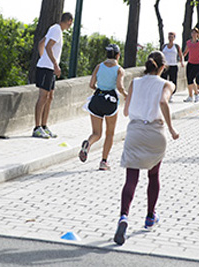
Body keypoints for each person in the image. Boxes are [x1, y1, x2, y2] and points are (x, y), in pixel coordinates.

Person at [114, 51, 179, 245]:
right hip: (155, 132)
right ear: (162, 67)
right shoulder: (168, 84)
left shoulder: (135, 82)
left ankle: (123, 216)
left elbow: (126, 111)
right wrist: (172, 129)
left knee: (131, 178)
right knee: (153, 175)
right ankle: (150, 216)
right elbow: (162, 101)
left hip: (135, 130)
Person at [79, 44, 127, 171]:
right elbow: (120, 87)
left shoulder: (99, 66)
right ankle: (103, 162)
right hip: (110, 102)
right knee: (109, 133)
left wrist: (99, 90)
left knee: (96, 133)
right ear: (118, 55)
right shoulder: (119, 69)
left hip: (96, 99)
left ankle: (88, 144)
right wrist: (126, 95)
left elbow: (91, 84)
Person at [33, 12, 73, 138]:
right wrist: (55, 64)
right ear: (69, 21)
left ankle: (44, 126)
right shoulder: (56, 30)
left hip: (48, 67)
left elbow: (41, 43)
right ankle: (37, 127)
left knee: (50, 97)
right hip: (47, 68)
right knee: (43, 97)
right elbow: (48, 47)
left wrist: (43, 58)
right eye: (70, 23)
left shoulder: (55, 29)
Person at [182, 28, 199, 103]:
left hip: (198, 63)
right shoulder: (188, 42)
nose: (193, 34)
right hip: (190, 63)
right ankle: (190, 96)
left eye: (195, 33)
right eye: (192, 33)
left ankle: (196, 94)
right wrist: (181, 58)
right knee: (189, 80)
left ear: (197, 34)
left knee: (192, 78)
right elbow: (185, 52)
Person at [161, 32, 184, 103]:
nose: (170, 39)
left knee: (173, 80)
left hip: (173, 65)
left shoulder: (176, 46)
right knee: (164, 80)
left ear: (174, 38)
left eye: (172, 37)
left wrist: (182, 61)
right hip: (165, 66)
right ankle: (164, 94)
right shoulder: (164, 46)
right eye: (169, 37)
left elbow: (180, 55)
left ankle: (171, 95)